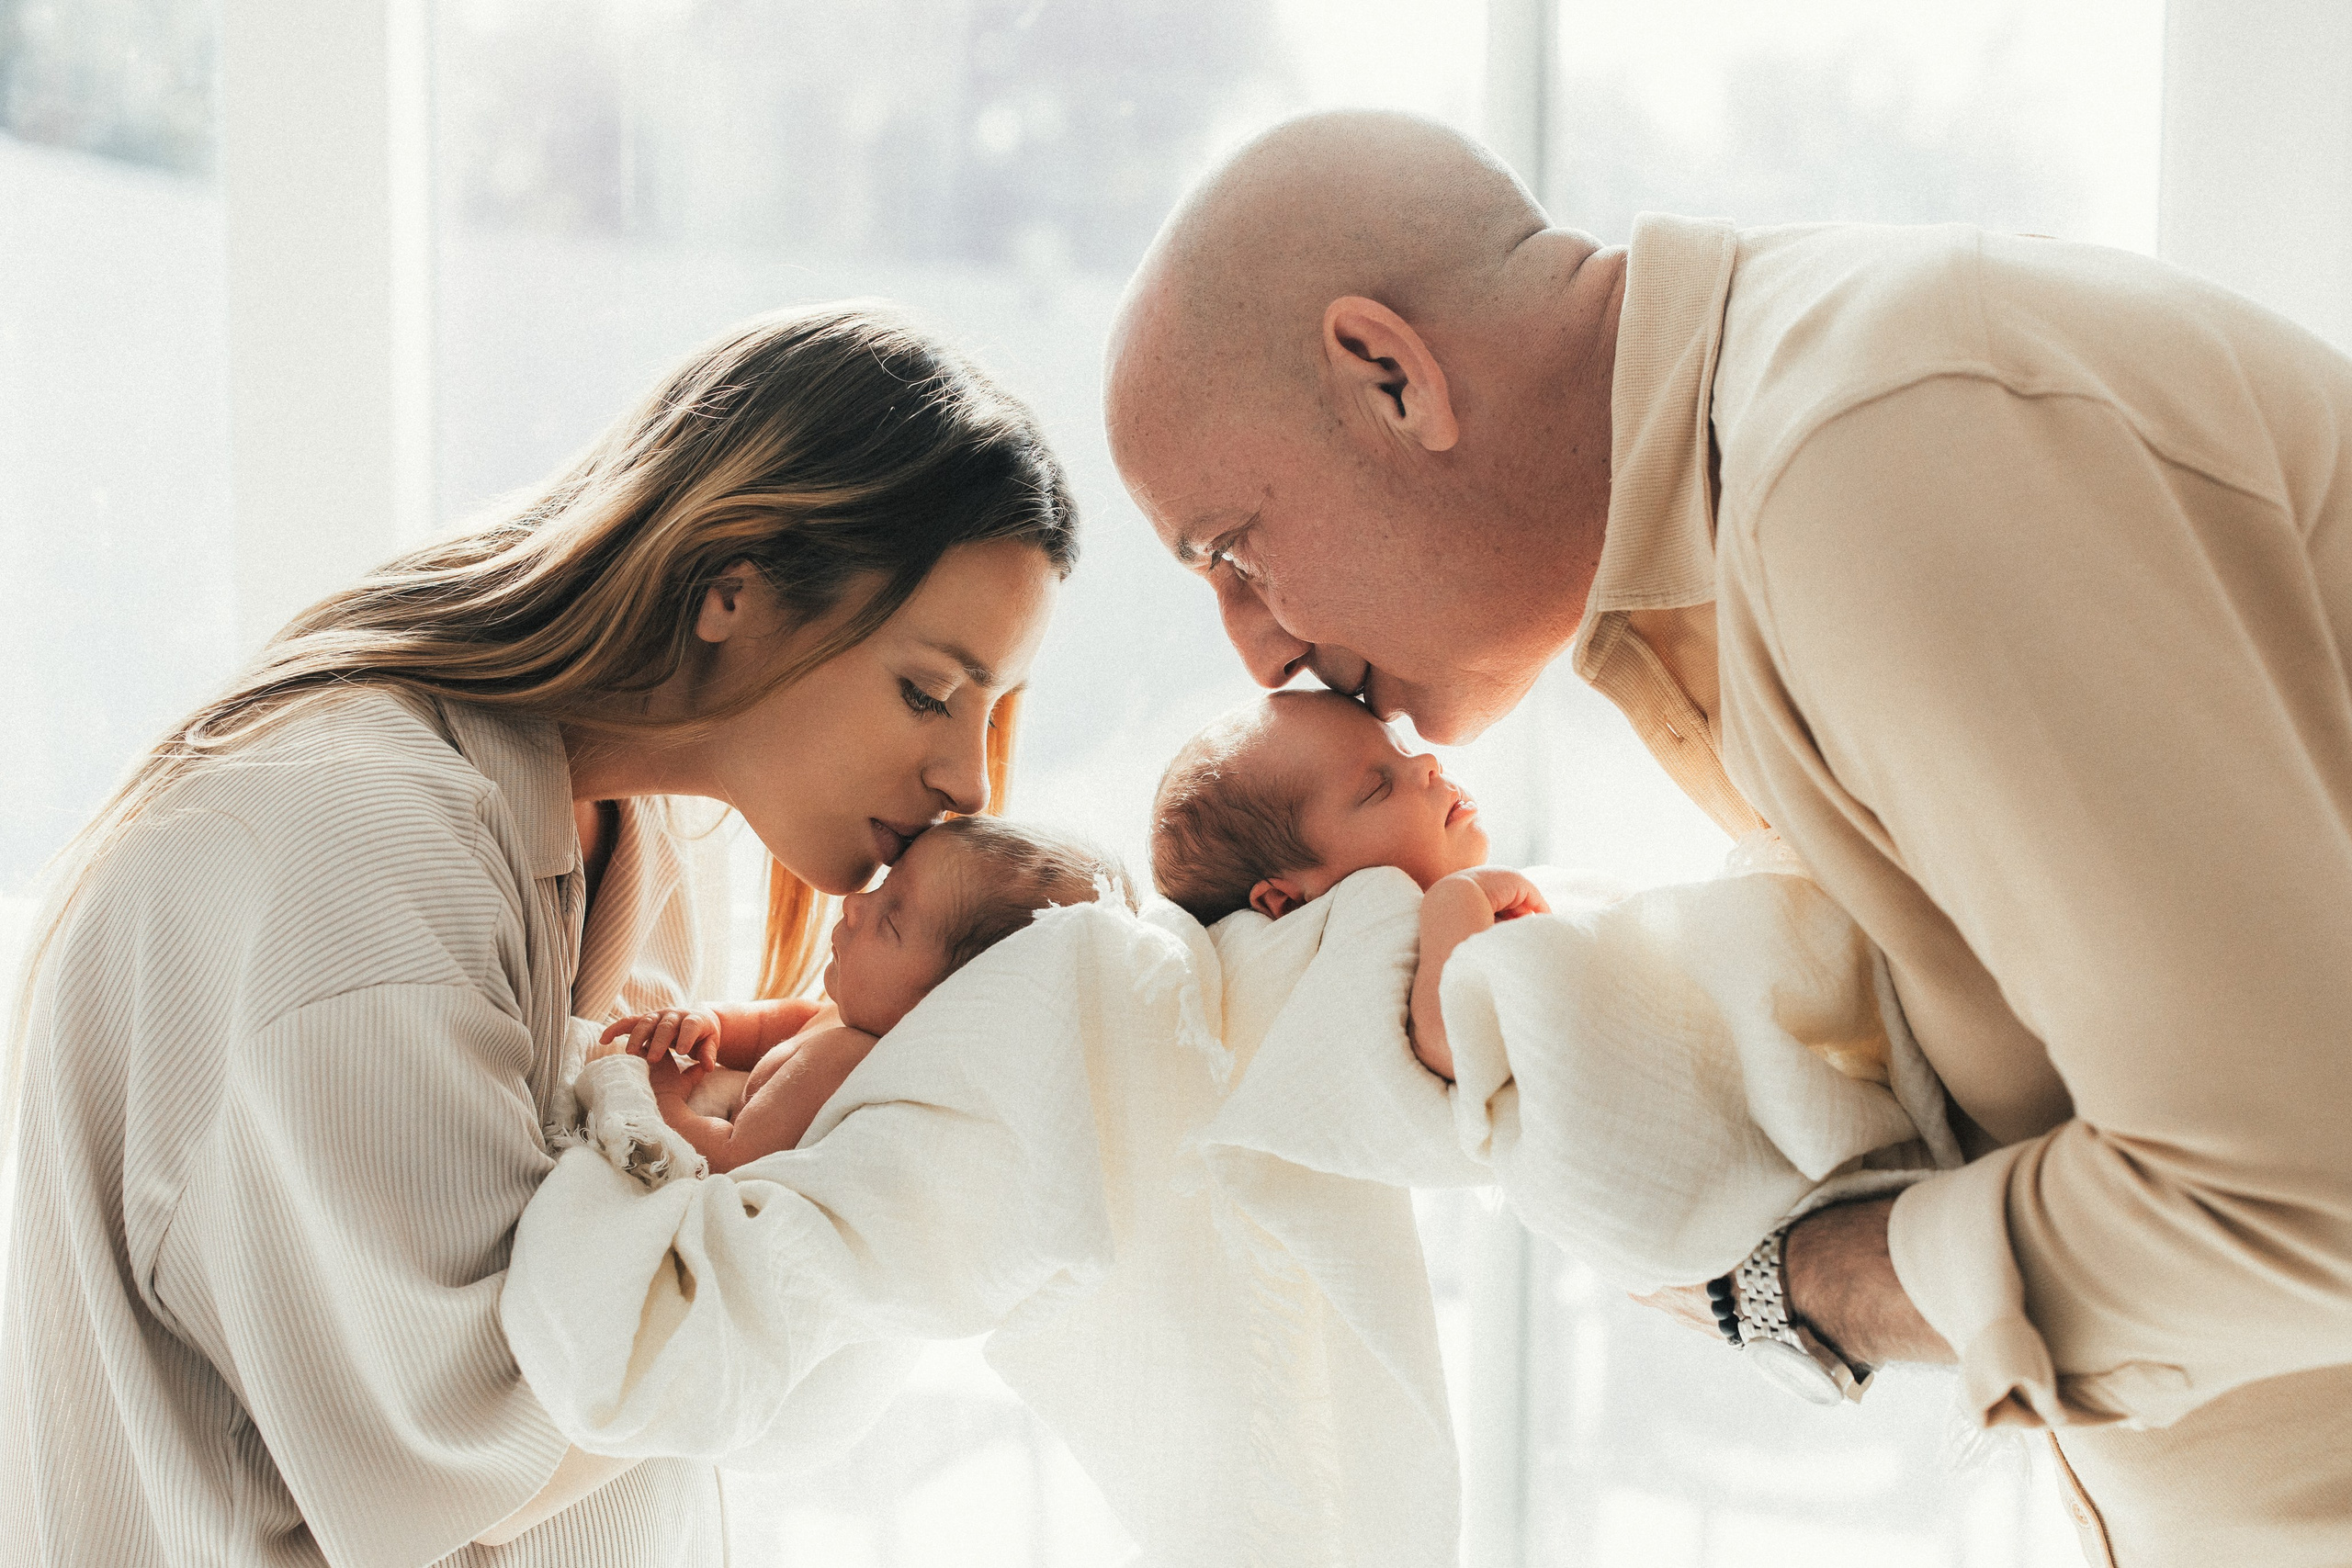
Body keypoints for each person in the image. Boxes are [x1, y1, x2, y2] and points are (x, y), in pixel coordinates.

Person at [1105, 109, 2352, 1564]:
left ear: (1390, 373)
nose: (1260, 653)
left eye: (1235, 550)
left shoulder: (1871, 452)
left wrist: (1803, 1281)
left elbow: (2296, 1185)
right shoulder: (1762, 510)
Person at [1, 303, 1075, 1567]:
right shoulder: (348, 851)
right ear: (730, 586)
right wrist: (929, 1187)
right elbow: (454, 1446)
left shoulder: (647, 832)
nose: (964, 777)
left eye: (989, 711)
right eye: (929, 691)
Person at [600, 816, 1135, 1172]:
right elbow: (761, 1029)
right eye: (885, 884)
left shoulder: (851, 1062)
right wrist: (705, 1023)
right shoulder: (839, 1015)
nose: (856, 903)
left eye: (892, 920)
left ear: (950, 1007)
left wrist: (661, 1093)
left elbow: (731, 1161)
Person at [1149, 687, 1548, 1080]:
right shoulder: (1354, 935)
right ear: (1287, 904)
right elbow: (1455, 1042)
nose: (1428, 762)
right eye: (1378, 788)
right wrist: (1461, 898)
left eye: (1403, 749)